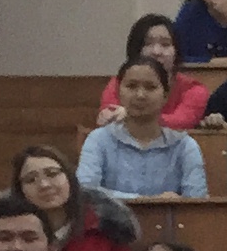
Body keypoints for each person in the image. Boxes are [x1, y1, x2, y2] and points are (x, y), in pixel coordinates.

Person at [0, 141, 141, 251]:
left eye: (52, 174)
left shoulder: (108, 229)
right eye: (31, 179)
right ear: (20, 191)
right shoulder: (7, 235)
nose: (44, 185)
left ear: (70, 178)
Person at [80, 58, 210, 201]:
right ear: (118, 92)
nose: (140, 95)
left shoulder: (184, 146)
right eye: (131, 86)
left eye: (150, 87)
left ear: (165, 96)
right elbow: (86, 191)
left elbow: (197, 202)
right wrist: (148, 200)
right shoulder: (99, 140)